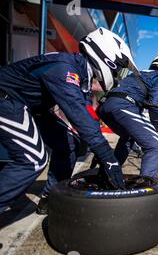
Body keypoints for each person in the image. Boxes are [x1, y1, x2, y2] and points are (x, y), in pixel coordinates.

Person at [0, 27, 136, 215]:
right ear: (107, 58)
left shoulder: (81, 74)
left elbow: (87, 116)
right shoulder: (65, 68)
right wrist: (108, 157)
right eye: (119, 69)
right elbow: (77, 113)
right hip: (7, 100)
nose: (118, 75)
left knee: (70, 142)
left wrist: (98, 149)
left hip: (29, 107)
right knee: (33, 160)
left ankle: (51, 198)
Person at [97, 53, 158, 179]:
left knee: (128, 137)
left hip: (105, 106)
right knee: (155, 147)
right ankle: (147, 190)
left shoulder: (141, 73)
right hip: (123, 105)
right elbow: (155, 103)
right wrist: (157, 129)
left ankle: (108, 174)